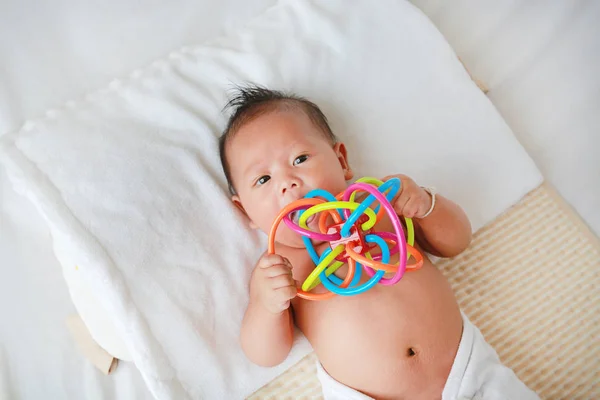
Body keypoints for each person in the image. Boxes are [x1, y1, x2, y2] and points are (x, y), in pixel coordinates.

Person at [218, 85, 539, 400]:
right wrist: (266, 304)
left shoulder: (380, 204)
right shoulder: (281, 265)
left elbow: (457, 241)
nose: (288, 182)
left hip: (471, 377)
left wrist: (426, 205)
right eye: (263, 179)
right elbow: (265, 354)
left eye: (300, 158)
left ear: (341, 160)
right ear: (243, 208)